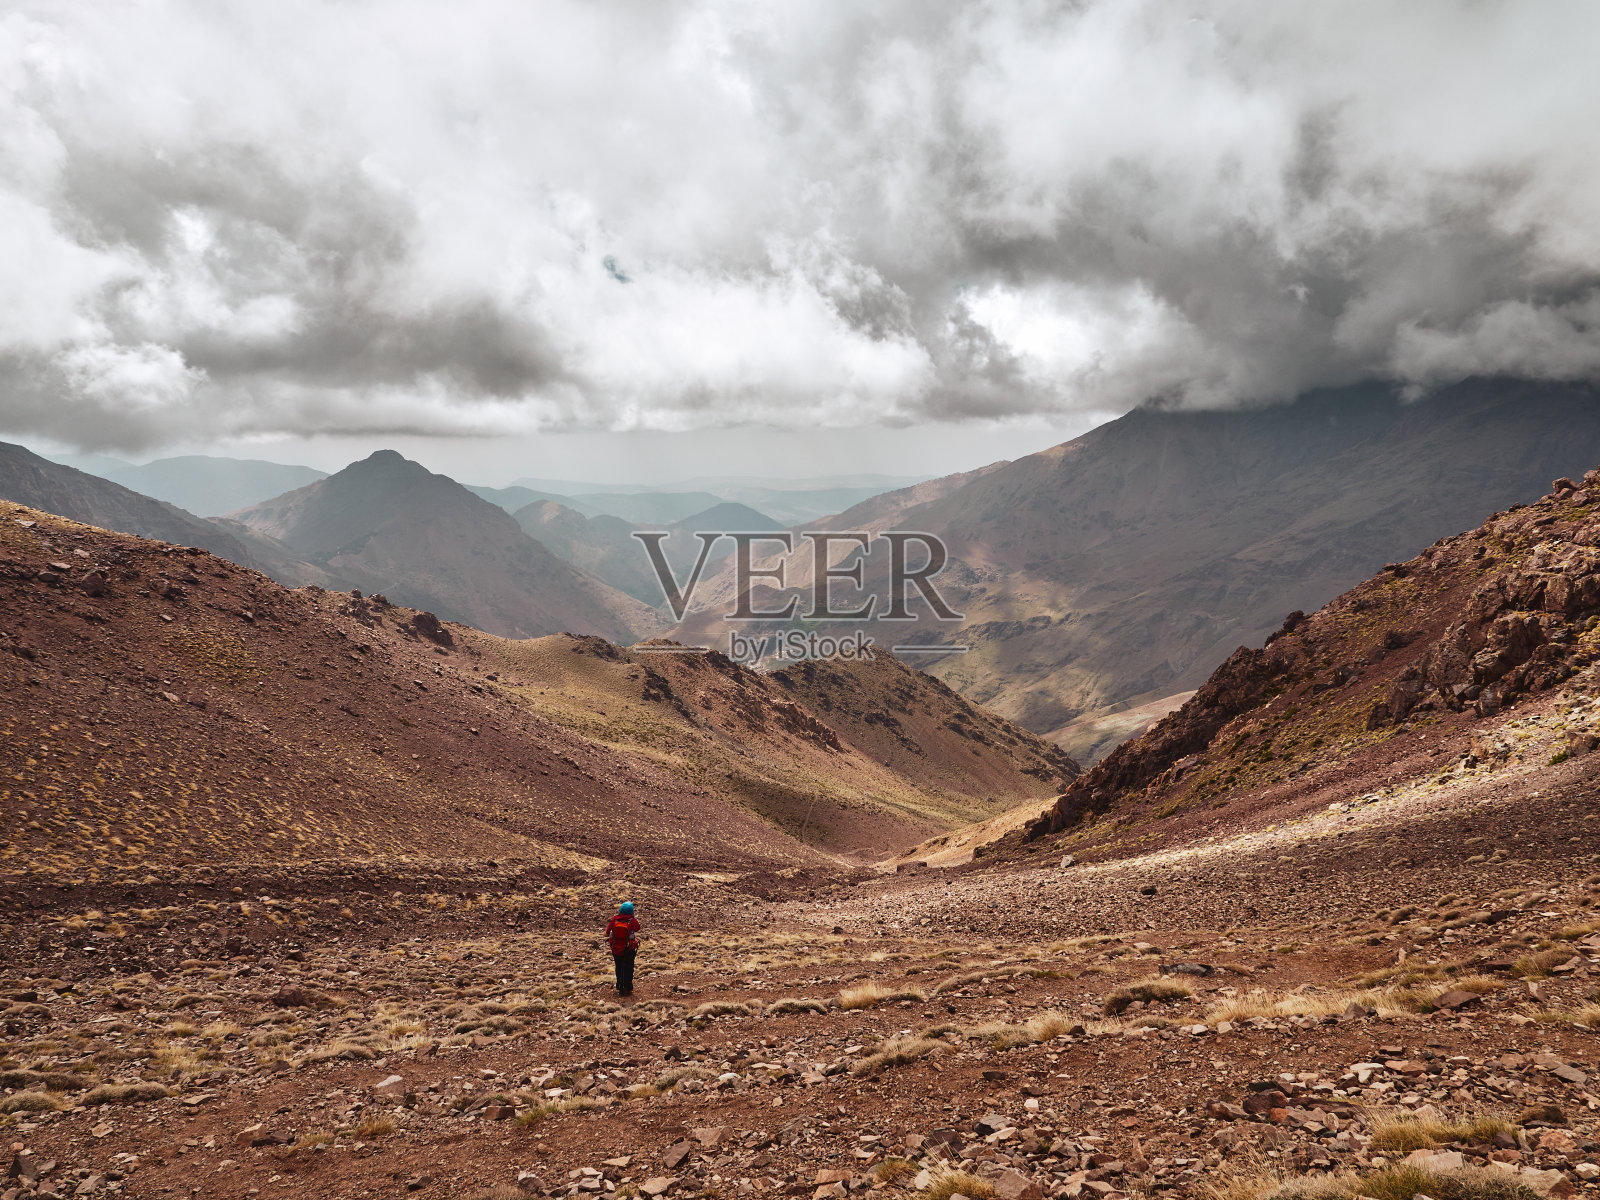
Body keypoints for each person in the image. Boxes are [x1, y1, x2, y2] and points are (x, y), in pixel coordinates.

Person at [605, 901, 640, 996]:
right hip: (629, 948)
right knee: (629, 967)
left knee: (619, 966)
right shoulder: (632, 920)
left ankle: (620, 986)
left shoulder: (615, 919)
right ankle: (628, 987)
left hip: (616, 948)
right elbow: (637, 928)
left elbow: (607, 932)